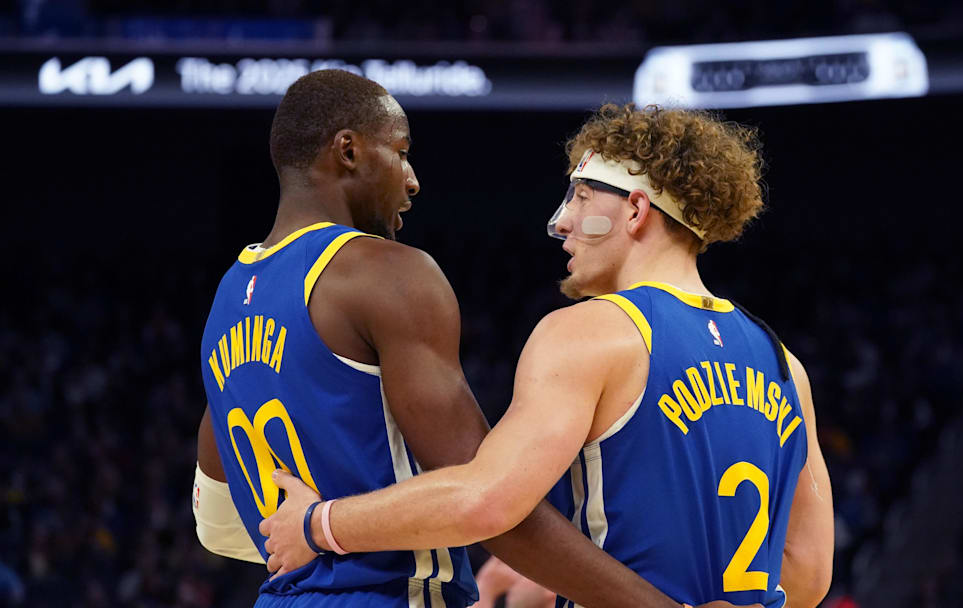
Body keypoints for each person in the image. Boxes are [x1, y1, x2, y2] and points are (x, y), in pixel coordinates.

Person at [193, 71, 755, 608]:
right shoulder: (389, 274)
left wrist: (312, 529)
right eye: (402, 151)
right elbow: (491, 505)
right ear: (348, 151)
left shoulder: (228, 298)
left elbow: (217, 526)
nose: (412, 179)